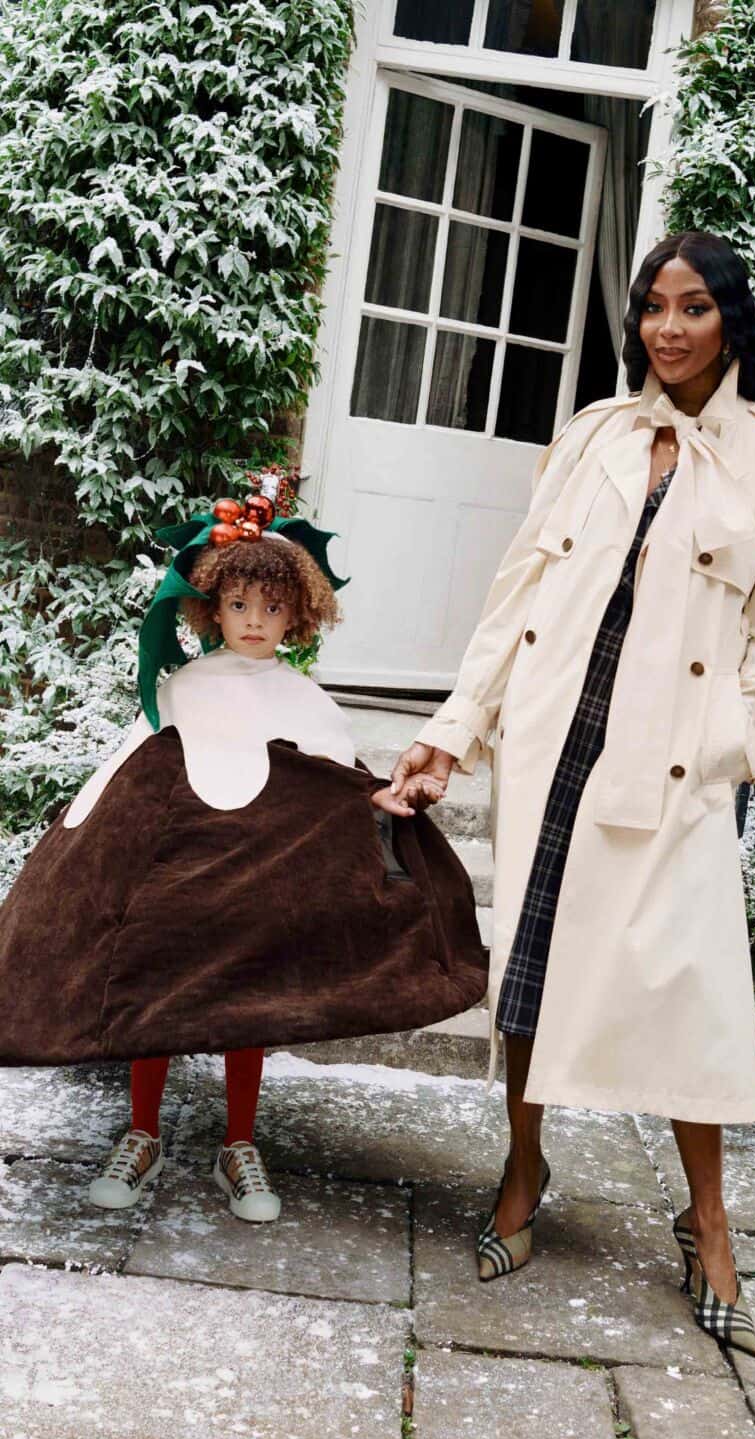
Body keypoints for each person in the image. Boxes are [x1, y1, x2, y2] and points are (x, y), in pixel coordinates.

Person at [391, 232, 755, 1355]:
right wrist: (452, 734)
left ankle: (709, 1222)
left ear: (730, 320)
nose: (668, 328)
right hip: (558, 735)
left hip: (673, 758)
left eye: (693, 307)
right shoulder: (593, 435)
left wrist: (731, 745)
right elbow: (519, 594)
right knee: (531, 974)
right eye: (652, 307)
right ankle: (522, 1170)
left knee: (690, 993)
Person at [0, 498, 487, 1221]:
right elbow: (135, 776)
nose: (254, 619)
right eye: (237, 604)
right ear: (212, 610)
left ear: (298, 615)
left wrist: (375, 801)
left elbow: (333, 781)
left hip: (261, 888)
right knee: (153, 990)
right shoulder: (181, 687)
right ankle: (143, 1133)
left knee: (250, 1001)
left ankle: (238, 1143)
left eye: (271, 606)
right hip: (183, 882)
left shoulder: (306, 700)